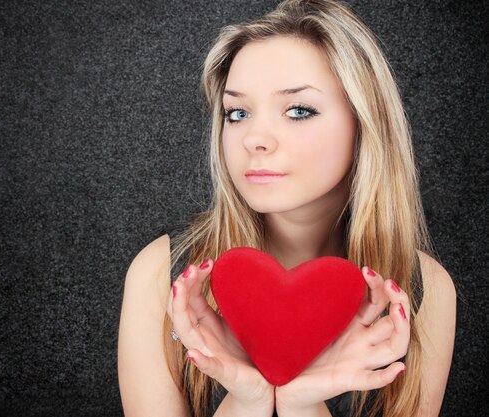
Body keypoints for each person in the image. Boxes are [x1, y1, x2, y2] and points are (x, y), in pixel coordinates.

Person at [118, 0, 456, 416]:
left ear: (365, 123)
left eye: (298, 110)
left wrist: (300, 401)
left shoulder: (423, 288)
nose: (253, 139)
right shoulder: (160, 276)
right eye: (237, 112)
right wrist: (249, 398)